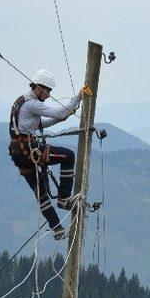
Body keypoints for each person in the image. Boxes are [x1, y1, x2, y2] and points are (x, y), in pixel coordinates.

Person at [9, 70, 90, 239]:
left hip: (19, 154)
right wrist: (78, 97)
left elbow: (42, 123)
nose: (48, 95)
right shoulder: (32, 104)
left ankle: (57, 229)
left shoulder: (21, 102)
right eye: (48, 91)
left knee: (41, 193)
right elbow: (58, 113)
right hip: (29, 151)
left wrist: (62, 117)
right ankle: (64, 199)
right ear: (39, 88)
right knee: (68, 156)